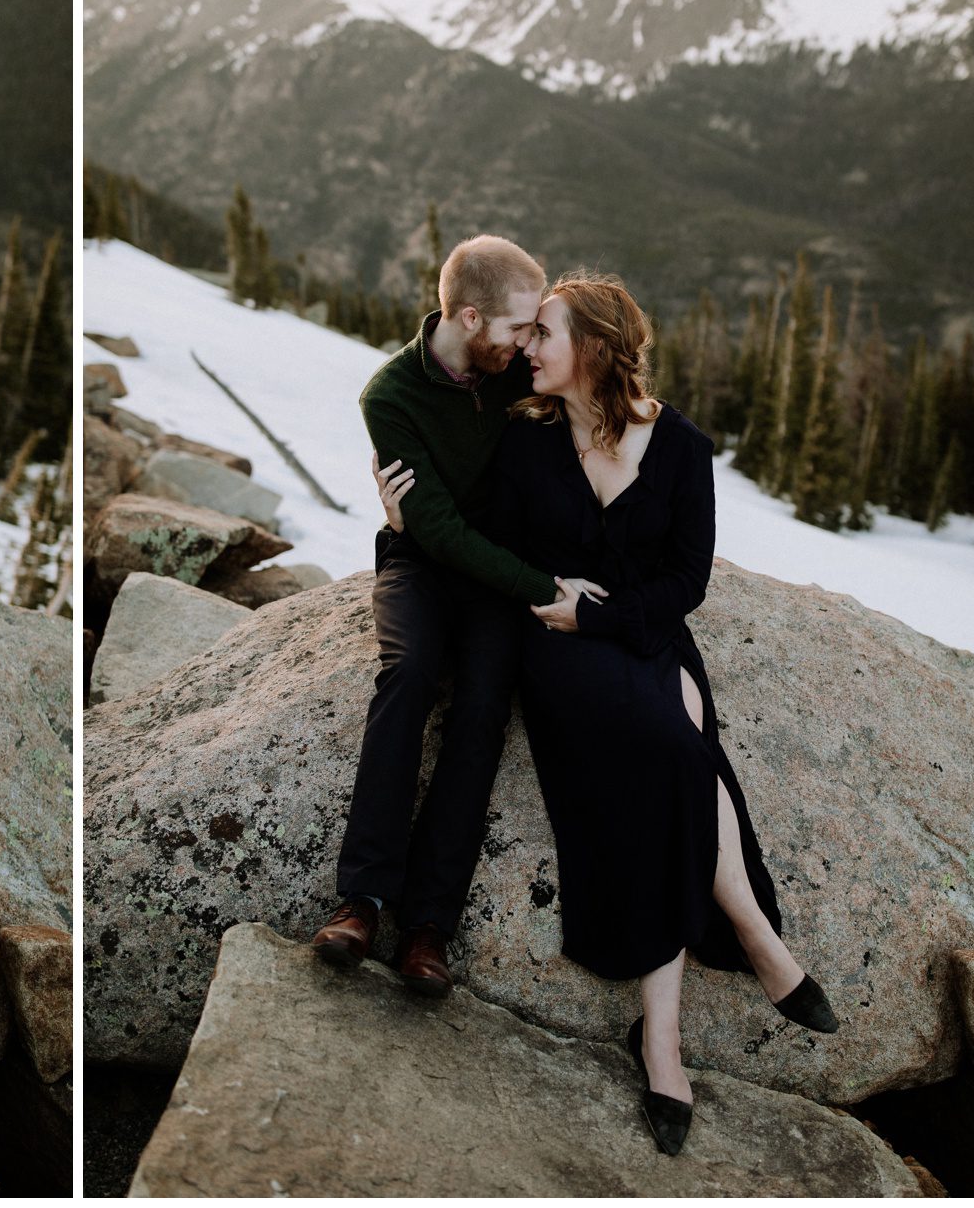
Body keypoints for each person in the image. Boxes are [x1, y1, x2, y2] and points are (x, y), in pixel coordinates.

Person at [485, 272, 837, 1154]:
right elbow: (486, 542)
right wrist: (408, 525)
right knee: (674, 752)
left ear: (596, 348)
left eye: (544, 335)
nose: (527, 348)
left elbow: (688, 581)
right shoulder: (526, 440)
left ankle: (663, 1035)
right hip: (559, 650)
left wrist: (604, 613)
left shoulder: (681, 447)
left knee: (680, 749)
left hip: (637, 633)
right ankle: (752, 940)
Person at [311, 234, 583, 995]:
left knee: (484, 706)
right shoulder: (390, 397)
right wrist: (540, 585)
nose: (530, 343)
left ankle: (429, 926)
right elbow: (434, 529)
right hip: (422, 564)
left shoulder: (516, 372)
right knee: (408, 675)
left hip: (493, 576)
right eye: (519, 328)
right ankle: (361, 901)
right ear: (469, 317)